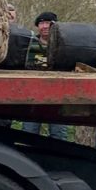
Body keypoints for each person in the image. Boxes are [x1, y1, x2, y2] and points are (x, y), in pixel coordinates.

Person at [21, 12, 71, 140]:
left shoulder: (66, 47)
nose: (44, 26)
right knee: (29, 134)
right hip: (33, 98)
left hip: (57, 98)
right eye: (41, 23)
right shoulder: (30, 45)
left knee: (59, 136)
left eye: (48, 23)